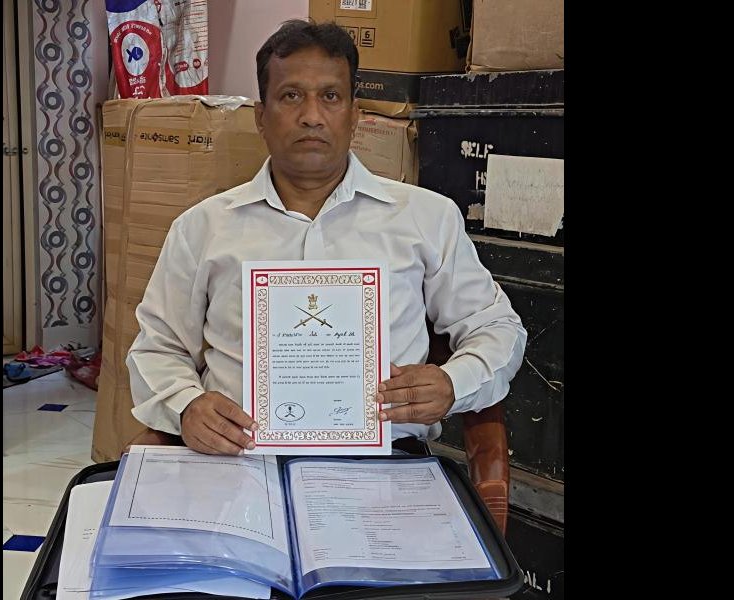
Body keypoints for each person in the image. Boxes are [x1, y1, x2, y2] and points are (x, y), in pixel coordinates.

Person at [125, 20, 527, 456]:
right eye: (290, 96)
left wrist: (454, 382)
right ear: (261, 117)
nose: (311, 116)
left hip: (385, 465)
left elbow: (498, 328)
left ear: (355, 114)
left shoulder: (425, 217)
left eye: (330, 97)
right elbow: (157, 348)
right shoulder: (202, 227)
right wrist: (186, 406)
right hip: (239, 462)